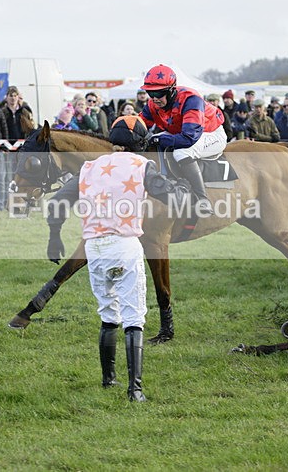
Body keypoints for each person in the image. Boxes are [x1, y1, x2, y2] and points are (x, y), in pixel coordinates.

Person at [44, 116, 190, 402]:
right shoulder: (141, 166)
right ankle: (135, 390)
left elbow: (57, 203)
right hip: (125, 246)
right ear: (139, 142)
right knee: (133, 318)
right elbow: (173, 197)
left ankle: (108, 379)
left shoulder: (87, 168)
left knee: (108, 315)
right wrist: (183, 187)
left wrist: (55, 235)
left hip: (95, 250)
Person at [140, 64, 226, 215]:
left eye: (159, 93)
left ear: (171, 90)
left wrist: (160, 140)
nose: (154, 99)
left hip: (210, 134)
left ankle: (202, 200)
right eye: (150, 93)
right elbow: (140, 126)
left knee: (181, 152)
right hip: (182, 133)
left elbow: (188, 138)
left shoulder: (191, 99)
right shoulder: (152, 104)